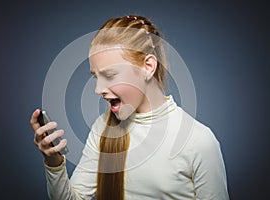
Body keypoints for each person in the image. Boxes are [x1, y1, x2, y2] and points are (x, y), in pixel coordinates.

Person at [30, 15, 229, 200]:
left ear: (148, 67)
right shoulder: (102, 128)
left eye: (110, 76)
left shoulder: (199, 141)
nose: (98, 89)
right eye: (95, 77)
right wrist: (54, 162)